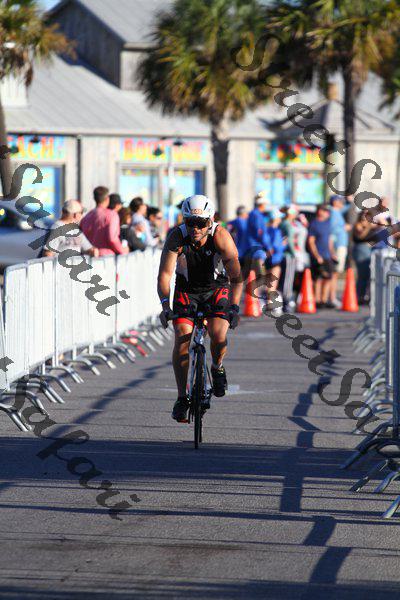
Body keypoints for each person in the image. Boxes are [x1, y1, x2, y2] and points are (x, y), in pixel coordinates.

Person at [157, 195, 243, 422]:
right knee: (182, 338)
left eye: (201, 223)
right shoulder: (177, 236)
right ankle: (181, 397)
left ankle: (217, 366)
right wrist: (165, 306)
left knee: (218, 334)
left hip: (216, 289)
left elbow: (236, 277)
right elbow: (164, 276)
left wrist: (234, 307)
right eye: (190, 222)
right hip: (187, 290)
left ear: (210, 221)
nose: (195, 228)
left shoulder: (221, 236)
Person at [80, 186, 128, 256]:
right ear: (107, 199)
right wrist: (123, 251)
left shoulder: (86, 217)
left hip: (88, 257)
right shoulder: (112, 215)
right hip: (106, 257)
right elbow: (112, 239)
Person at [307, 204, 336, 308]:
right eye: (323, 210)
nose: (325, 212)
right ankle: (317, 300)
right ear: (319, 211)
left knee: (328, 277)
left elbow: (329, 240)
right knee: (318, 278)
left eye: (326, 211)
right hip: (318, 255)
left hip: (327, 255)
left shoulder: (328, 223)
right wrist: (316, 255)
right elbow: (311, 241)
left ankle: (324, 299)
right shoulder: (314, 224)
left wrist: (332, 253)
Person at [245, 194, 272, 296]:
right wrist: (269, 247)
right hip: (257, 251)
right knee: (260, 277)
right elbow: (260, 233)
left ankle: (251, 297)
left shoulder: (253, 214)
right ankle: (251, 296)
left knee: (254, 276)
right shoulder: (257, 215)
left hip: (252, 250)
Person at [329, 195, 351, 307]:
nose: (342, 203)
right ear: (335, 202)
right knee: (334, 273)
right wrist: (344, 228)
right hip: (338, 245)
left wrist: (349, 202)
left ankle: (331, 297)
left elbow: (344, 208)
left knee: (336, 273)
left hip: (341, 245)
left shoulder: (336, 211)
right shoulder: (333, 213)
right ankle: (332, 297)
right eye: (340, 201)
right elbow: (332, 229)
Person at [279, 204, 298, 312]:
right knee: (288, 279)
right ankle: (286, 301)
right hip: (288, 255)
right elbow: (290, 240)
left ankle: (283, 300)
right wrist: (294, 253)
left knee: (283, 278)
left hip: (282, 255)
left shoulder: (282, 223)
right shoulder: (288, 225)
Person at [265, 209, 284, 315]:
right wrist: (284, 244)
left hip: (267, 259)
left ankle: (268, 302)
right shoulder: (276, 231)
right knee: (273, 283)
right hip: (276, 259)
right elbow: (276, 246)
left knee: (268, 282)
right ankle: (270, 303)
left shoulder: (266, 229)